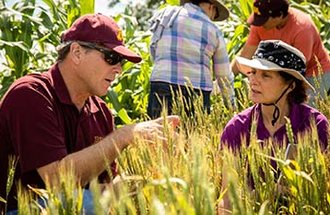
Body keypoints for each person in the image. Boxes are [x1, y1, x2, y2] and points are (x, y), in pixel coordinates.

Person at [0, 13, 180, 214]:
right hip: (18, 209)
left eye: (121, 62)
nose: (118, 69)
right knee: (84, 203)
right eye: (111, 58)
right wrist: (124, 136)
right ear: (76, 52)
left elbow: (105, 187)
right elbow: (59, 182)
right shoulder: (30, 94)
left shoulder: (101, 111)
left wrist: (147, 178)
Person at [219, 40, 329, 213]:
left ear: (290, 85)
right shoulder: (236, 128)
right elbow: (226, 201)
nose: (253, 80)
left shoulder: (315, 125)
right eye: (253, 72)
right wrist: (265, 195)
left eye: (266, 75)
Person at [147, 0, 235, 119]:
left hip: (162, 84)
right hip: (197, 91)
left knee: (157, 134)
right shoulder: (213, 30)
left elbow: (153, 49)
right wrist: (230, 105)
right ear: (211, 7)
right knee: (191, 135)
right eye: (214, 15)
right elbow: (223, 75)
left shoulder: (167, 16)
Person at [231, 0, 330, 104]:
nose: (259, 23)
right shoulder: (260, 23)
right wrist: (225, 78)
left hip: (313, 73)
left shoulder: (302, 28)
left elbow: (298, 68)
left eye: (264, 19)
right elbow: (246, 54)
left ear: (280, 16)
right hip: (276, 72)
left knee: (301, 109)